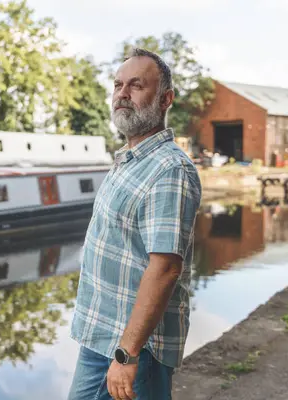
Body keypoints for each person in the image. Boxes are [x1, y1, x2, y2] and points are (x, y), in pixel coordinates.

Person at [67, 48, 202, 400]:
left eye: (136, 85)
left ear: (165, 99)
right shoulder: (131, 160)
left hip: (132, 346)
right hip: (103, 336)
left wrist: (126, 354)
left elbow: (165, 267)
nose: (122, 94)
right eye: (118, 85)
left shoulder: (169, 169)